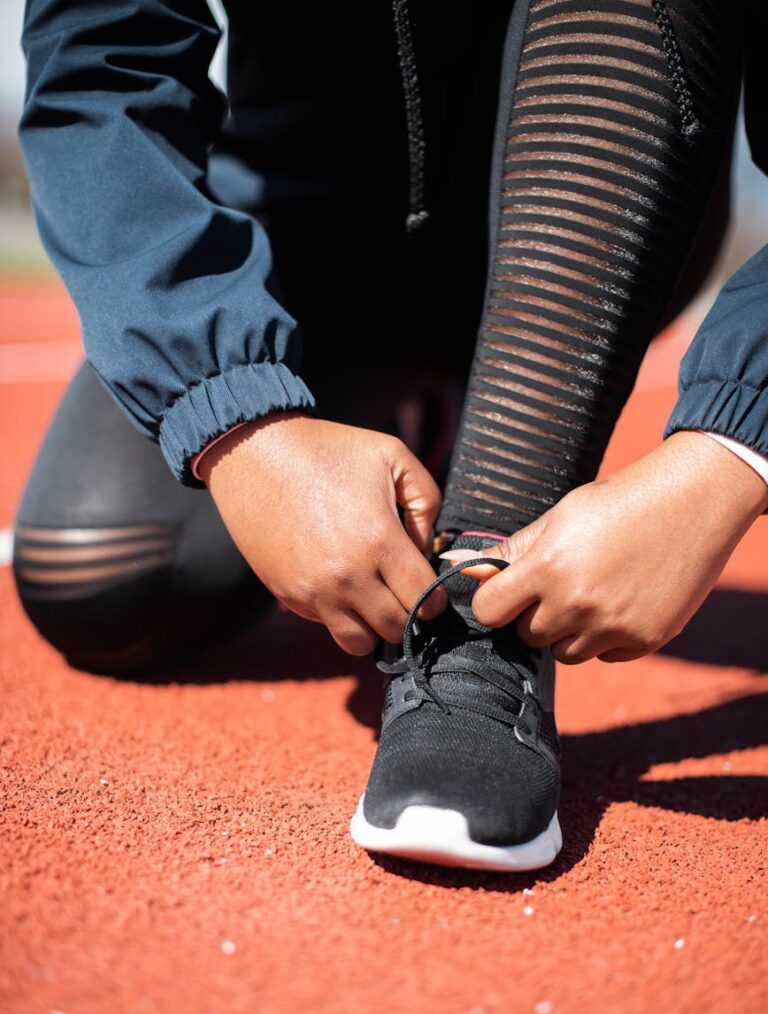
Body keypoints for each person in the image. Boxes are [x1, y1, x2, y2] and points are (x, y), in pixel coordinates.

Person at [16, 0, 768, 871]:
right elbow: (102, 64)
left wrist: (735, 447)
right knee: (102, 579)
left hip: (599, 199)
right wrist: (237, 422)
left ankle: (482, 618)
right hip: (318, 233)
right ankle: (430, 415)